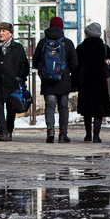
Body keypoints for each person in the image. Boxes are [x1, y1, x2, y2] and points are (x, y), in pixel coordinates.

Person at [32, 16, 77, 144]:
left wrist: (44, 71)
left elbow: (35, 62)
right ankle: (63, 135)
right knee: (63, 108)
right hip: (63, 81)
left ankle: (50, 133)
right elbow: (74, 63)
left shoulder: (42, 42)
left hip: (47, 81)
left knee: (49, 106)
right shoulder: (67, 43)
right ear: (62, 27)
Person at [75, 23, 110, 143]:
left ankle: (88, 135)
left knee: (87, 109)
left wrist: (76, 82)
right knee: (98, 110)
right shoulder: (104, 48)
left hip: (85, 82)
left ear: (87, 34)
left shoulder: (81, 48)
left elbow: (76, 66)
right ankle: (96, 136)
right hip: (100, 82)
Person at [0, 22, 29, 141]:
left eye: (3, 31)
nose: (0, 33)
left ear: (10, 33)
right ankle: (3, 132)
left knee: (11, 108)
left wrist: (20, 78)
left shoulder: (18, 48)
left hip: (12, 83)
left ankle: (9, 130)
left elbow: (24, 65)